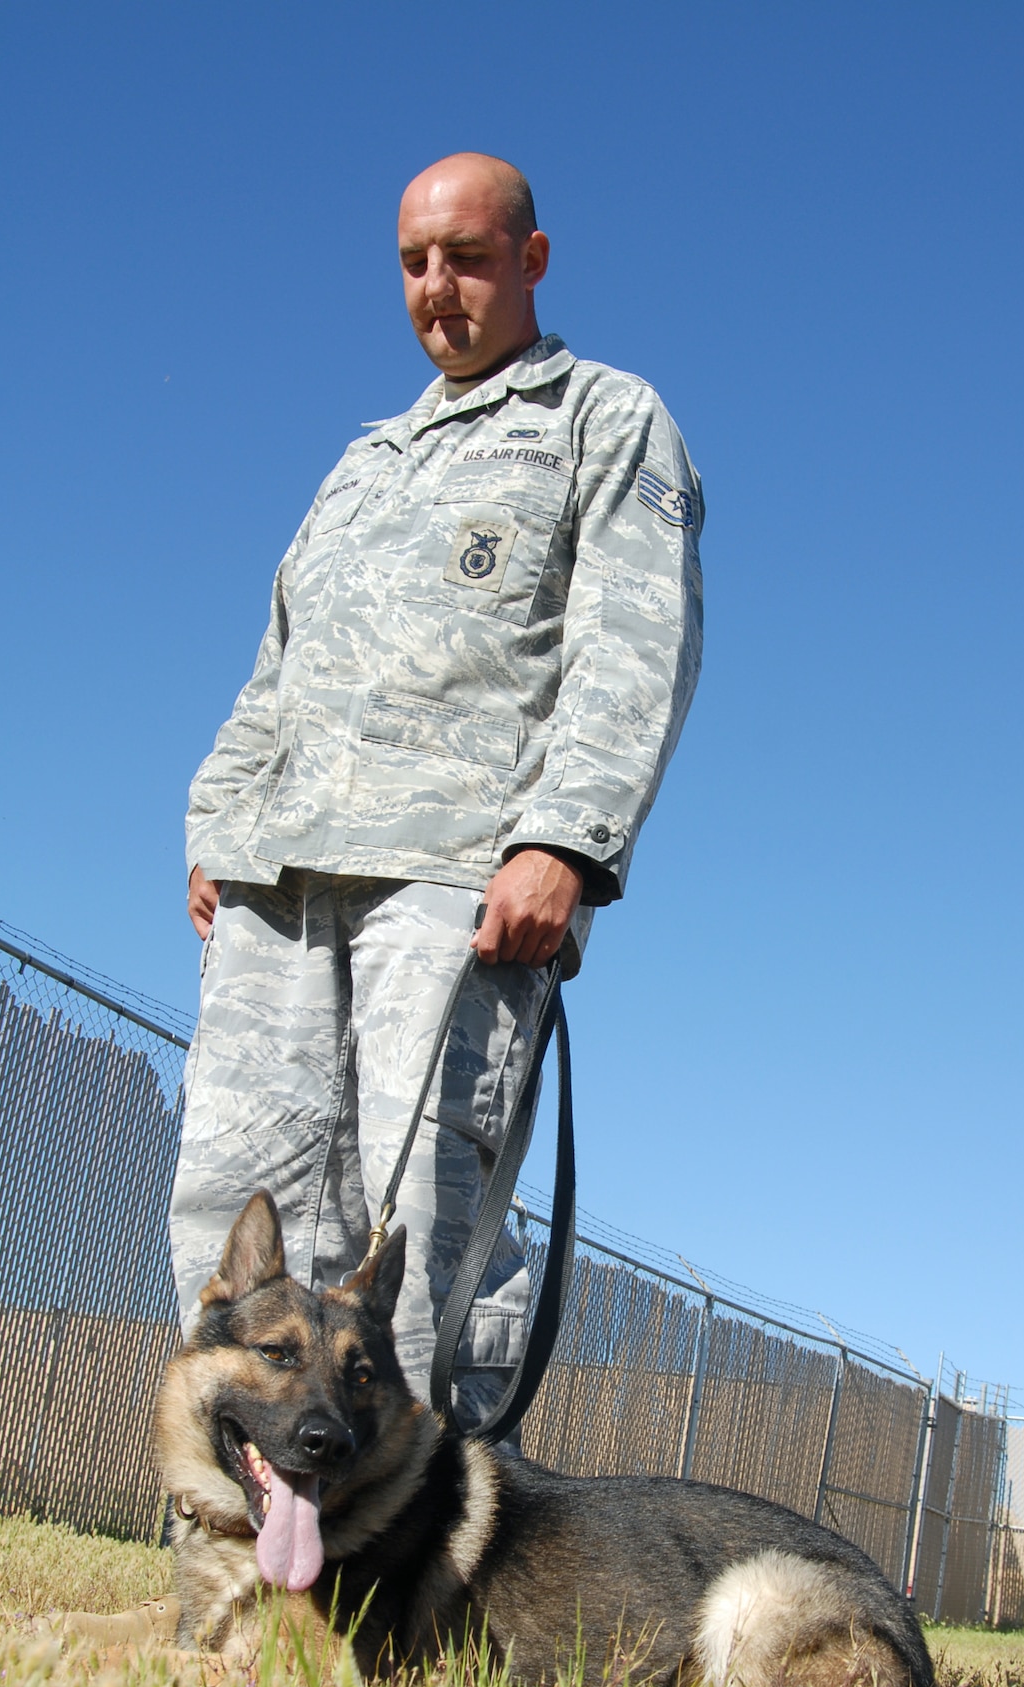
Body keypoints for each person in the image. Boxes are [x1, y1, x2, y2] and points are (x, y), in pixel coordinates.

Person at [169, 152, 703, 1423]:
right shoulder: (364, 462)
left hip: (455, 877)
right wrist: (218, 820)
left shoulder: (601, 415)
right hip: (279, 878)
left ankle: (414, 1552)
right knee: (233, 1206)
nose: (434, 286)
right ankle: (233, 1548)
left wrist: (564, 845)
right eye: (413, 261)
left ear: (530, 258)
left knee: (417, 1215)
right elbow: (278, 661)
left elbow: (638, 641)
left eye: (464, 256)